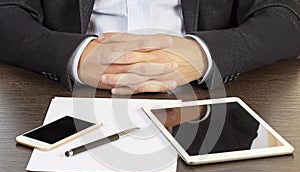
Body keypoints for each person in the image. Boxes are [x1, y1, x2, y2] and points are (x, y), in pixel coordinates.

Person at [0, 0, 299, 95]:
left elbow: (285, 14)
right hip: (71, 90)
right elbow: (8, 10)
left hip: (201, 91)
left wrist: (204, 54)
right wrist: (73, 56)